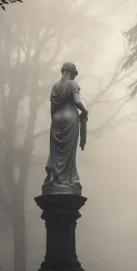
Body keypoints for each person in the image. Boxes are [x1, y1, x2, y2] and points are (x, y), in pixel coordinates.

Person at [44, 62, 88, 191]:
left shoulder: (55, 86)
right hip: (70, 118)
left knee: (55, 151)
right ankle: (70, 179)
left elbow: (52, 108)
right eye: (73, 74)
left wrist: (54, 121)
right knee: (69, 152)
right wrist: (84, 111)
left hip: (56, 119)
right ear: (69, 72)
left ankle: (53, 177)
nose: (74, 77)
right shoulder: (72, 84)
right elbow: (76, 101)